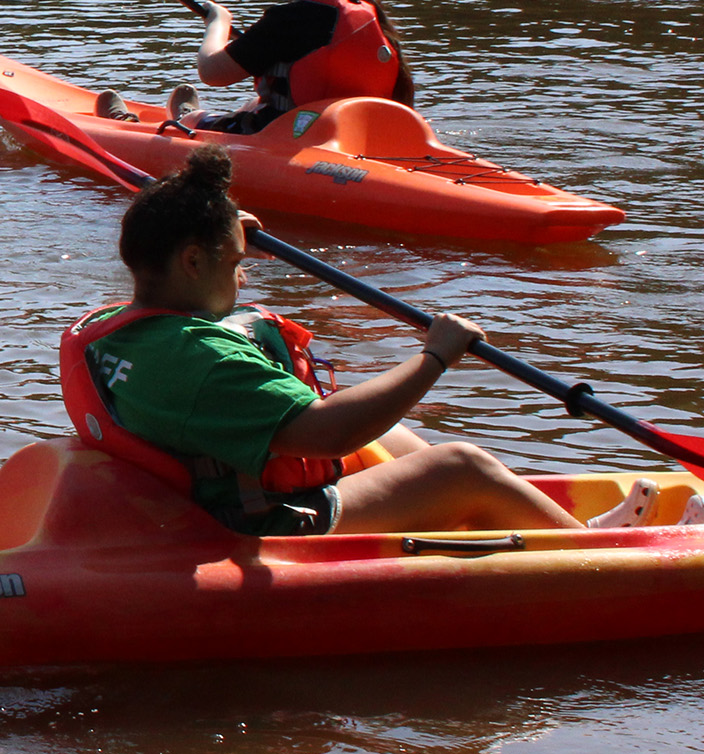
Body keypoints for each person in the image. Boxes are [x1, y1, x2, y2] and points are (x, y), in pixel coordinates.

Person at [74, 146, 681, 535]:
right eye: (235, 260)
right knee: (462, 465)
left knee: (388, 430)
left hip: (212, 483)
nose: (245, 269)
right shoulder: (203, 362)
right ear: (189, 261)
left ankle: (536, 522)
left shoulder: (118, 328)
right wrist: (434, 357)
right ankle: (582, 549)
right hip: (259, 521)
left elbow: (198, 307)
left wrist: (229, 232)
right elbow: (329, 433)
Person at [98, 0, 415, 132]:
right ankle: (191, 116)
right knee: (254, 102)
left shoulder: (290, 20)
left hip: (291, 139)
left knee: (201, 122)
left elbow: (212, 71)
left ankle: (163, 122)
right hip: (352, 138)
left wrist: (218, 22)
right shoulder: (374, 15)